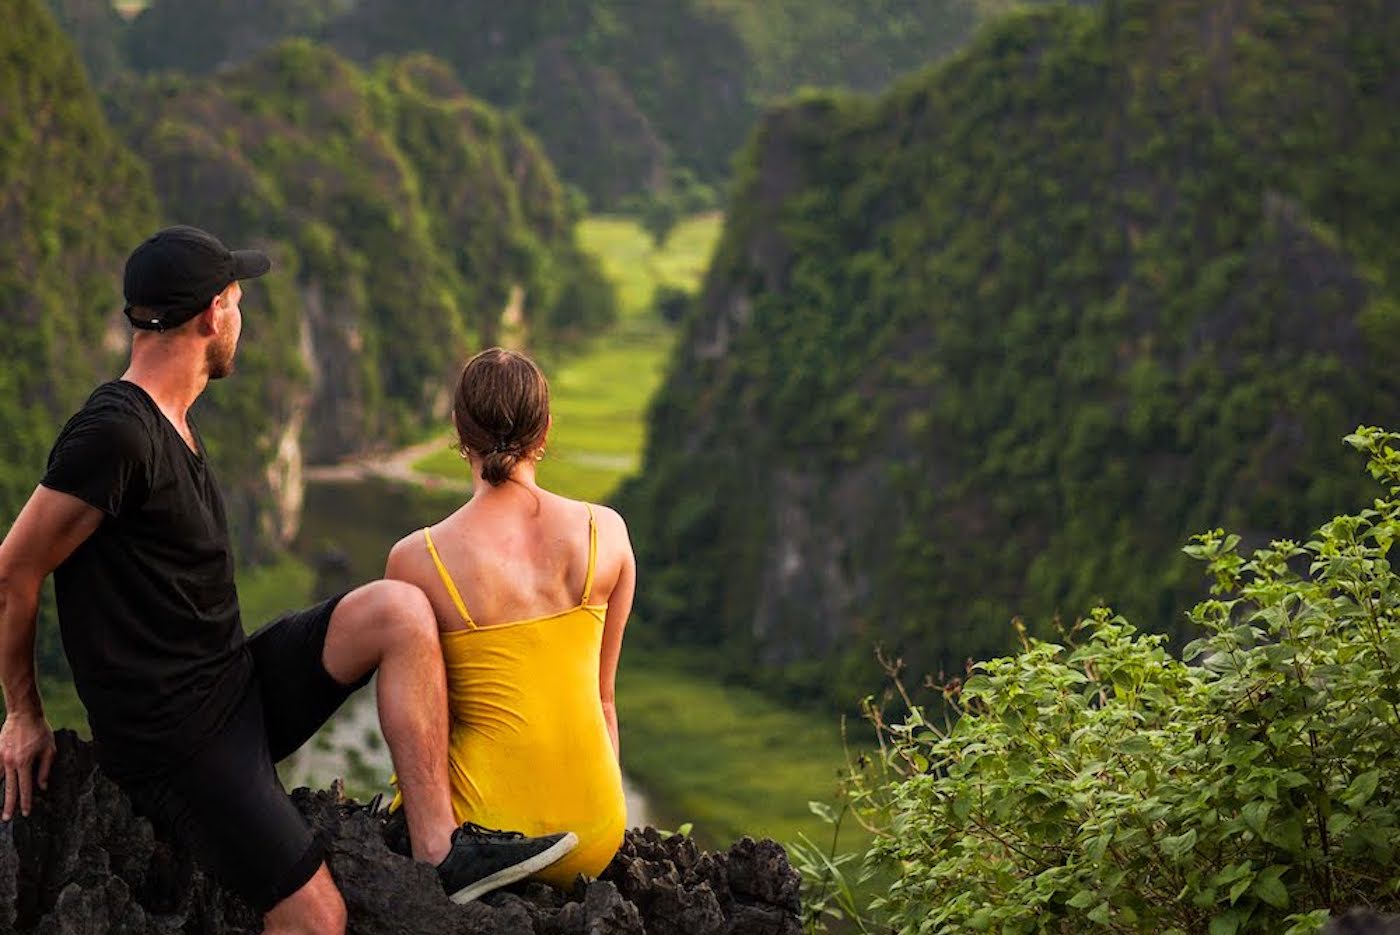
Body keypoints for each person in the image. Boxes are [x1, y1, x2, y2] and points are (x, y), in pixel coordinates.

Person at [0, 227, 577, 934]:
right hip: (179, 745)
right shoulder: (114, 433)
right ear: (213, 314)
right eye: (239, 301)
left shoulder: (171, 419)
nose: (243, 319)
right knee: (317, 919)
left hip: (231, 685)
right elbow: (13, 569)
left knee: (397, 608)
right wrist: (24, 712)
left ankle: (440, 848)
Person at [383, 348, 635, 886]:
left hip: (486, 839)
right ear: (544, 427)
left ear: (458, 429)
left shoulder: (416, 559)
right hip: (598, 831)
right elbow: (603, 699)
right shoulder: (607, 532)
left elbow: (429, 724)